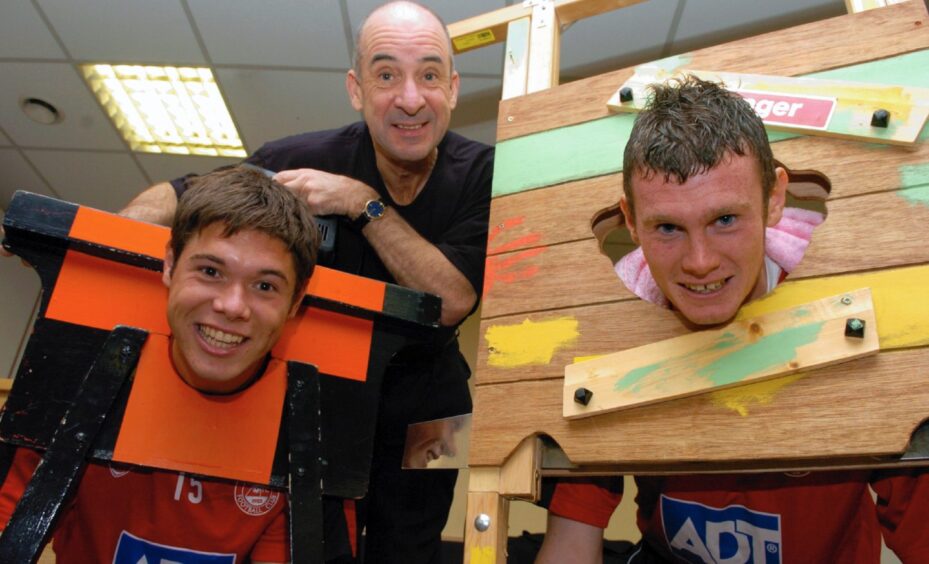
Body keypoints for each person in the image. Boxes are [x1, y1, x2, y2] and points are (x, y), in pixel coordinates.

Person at [120, 2, 493, 562]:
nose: (411, 98)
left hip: (435, 406)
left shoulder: (488, 173)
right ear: (356, 88)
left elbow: (452, 301)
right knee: (314, 543)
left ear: (454, 89)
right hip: (321, 394)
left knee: (413, 548)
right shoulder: (300, 158)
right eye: (386, 74)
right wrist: (107, 243)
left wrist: (360, 203)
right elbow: (183, 195)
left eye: (431, 75)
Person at [535, 76, 929, 563]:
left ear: (775, 199)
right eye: (667, 227)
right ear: (631, 221)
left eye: (725, 220)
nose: (700, 261)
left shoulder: (867, 322)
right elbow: (571, 544)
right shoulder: (602, 338)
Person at [0, 166, 320, 563]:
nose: (232, 306)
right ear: (169, 266)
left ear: (296, 302)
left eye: (265, 286)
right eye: (210, 271)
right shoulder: (74, 391)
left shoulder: (312, 437)